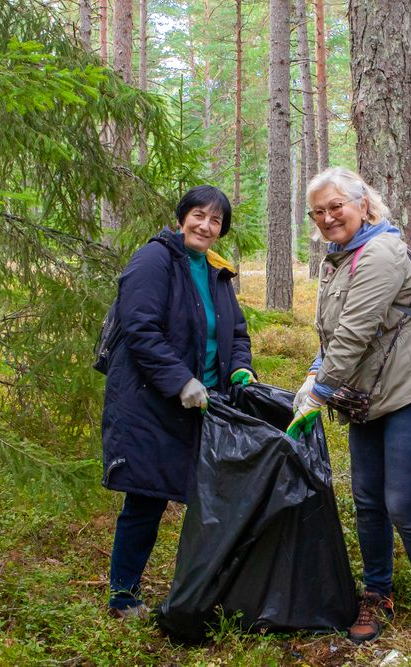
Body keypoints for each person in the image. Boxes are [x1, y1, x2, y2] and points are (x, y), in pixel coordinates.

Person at [287, 167, 411, 643]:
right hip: (367, 395)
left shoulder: (381, 251)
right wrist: (311, 375)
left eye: (336, 206)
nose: (327, 218)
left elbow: (357, 332)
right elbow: (335, 334)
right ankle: (377, 592)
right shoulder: (337, 258)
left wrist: (319, 393)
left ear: (363, 204)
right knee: (366, 501)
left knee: (402, 501)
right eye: (317, 212)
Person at [100, 185, 256, 619]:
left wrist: (241, 368)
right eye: (199, 216)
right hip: (153, 402)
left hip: (208, 404)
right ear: (182, 215)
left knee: (210, 497)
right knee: (146, 499)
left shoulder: (215, 270)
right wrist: (181, 381)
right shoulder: (154, 259)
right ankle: (123, 595)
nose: (206, 226)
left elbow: (236, 333)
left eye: (216, 221)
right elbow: (140, 329)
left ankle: (197, 590)